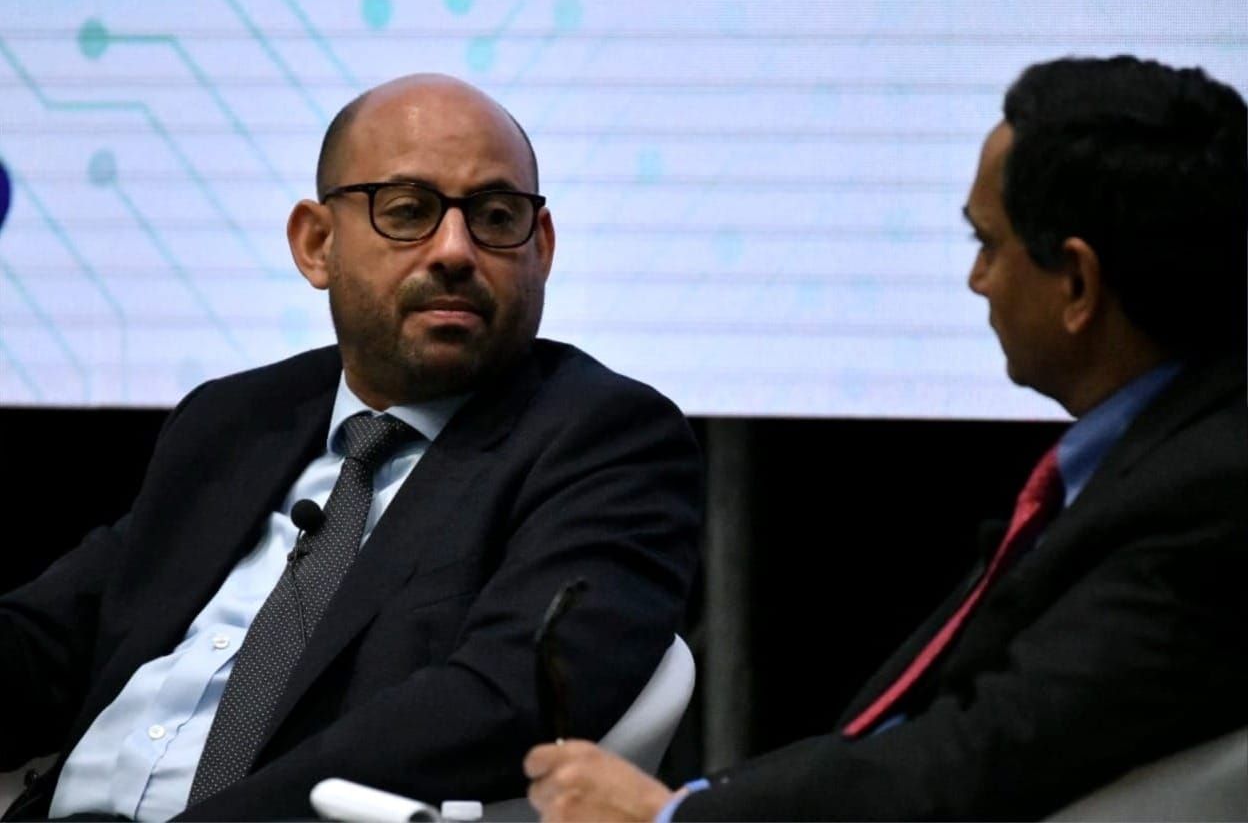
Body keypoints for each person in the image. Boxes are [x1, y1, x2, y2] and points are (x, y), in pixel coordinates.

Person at [525, 55, 1248, 821]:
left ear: (1075, 283)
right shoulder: (1164, 450)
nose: (978, 281)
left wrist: (673, 818)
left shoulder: (1209, 496)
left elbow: (982, 754)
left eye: (989, 245)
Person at [0, 75, 703, 821]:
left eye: (497, 217)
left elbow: (501, 702)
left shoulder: (605, 442)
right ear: (317, 244)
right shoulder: (234, 421)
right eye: (408, 212)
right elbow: (49, 642)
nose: (456, 250)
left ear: (543, 247)